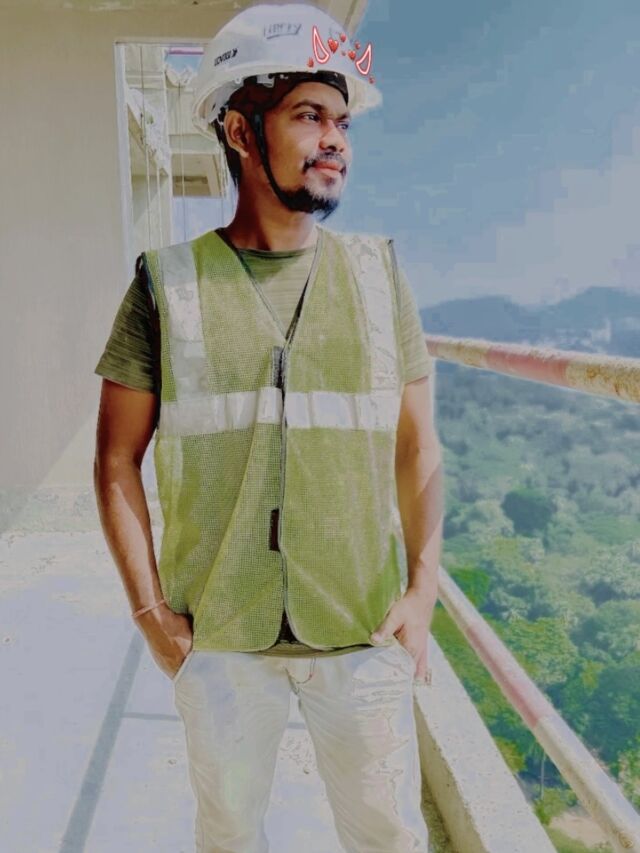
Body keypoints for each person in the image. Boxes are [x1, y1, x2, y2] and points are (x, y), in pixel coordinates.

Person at [93, 4, 444, 851]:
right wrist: (150, 612)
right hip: (220, 632)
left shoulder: (379, 275)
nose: (335, 141)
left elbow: (418, 445)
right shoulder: (164, 284)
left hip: (362, 623)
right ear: (241, 132)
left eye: (343, 122)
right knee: (230, 834)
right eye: (309, 116)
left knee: (388, 835)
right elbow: (115, 459)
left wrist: (423, 588)